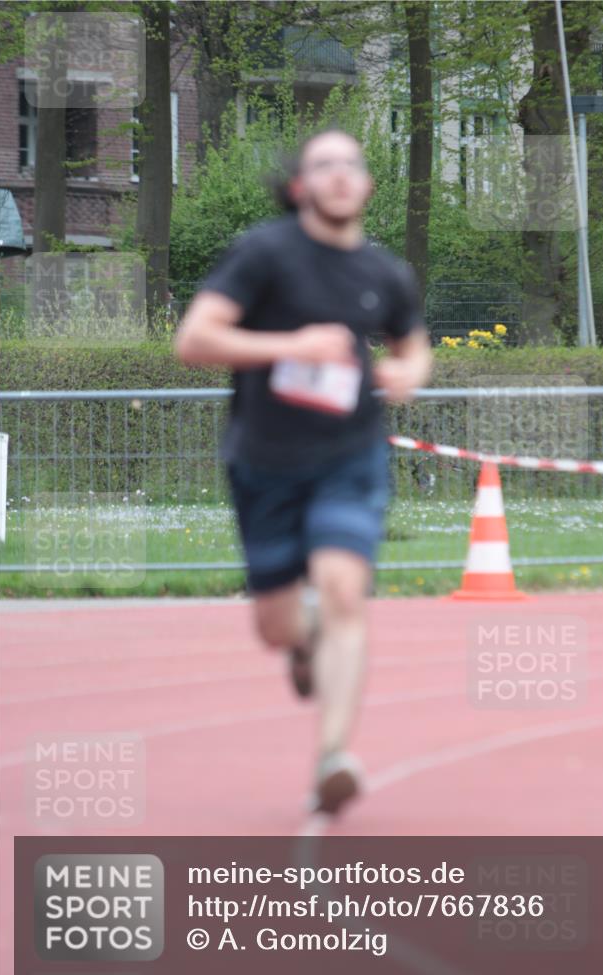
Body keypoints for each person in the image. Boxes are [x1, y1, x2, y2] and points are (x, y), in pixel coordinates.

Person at [175, 128, 432, 815]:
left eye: (352, 163)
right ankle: (304, 642)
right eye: (324, 165)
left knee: (344, 591)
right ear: (301, 187)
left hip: (349, 457)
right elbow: (194, 340)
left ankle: (332, 758)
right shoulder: (264, 254)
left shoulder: (384, 273)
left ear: (368, 185)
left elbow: (413, 344)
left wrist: (407, 370)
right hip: (263, 461)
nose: (340, 175)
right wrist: (291, 344)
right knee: (275, 625)